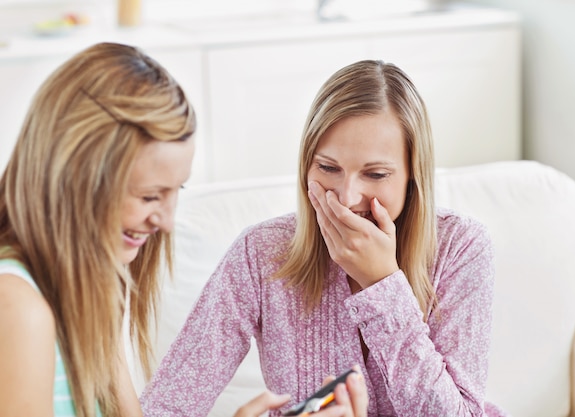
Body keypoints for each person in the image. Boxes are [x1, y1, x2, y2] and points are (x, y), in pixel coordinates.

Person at [0, 42, 365, 417]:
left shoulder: (94, 292)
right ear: (72, 177)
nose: (166, 221)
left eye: (176, 191)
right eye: (148, 196)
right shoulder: (17, 305)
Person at [140, 59, 509, 416]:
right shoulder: (261, 254)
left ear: (413, 173)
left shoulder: (461, 248)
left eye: (376, 174)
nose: (346, 198)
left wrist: (381, 285)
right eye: (328, 167)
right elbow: (169, 403)